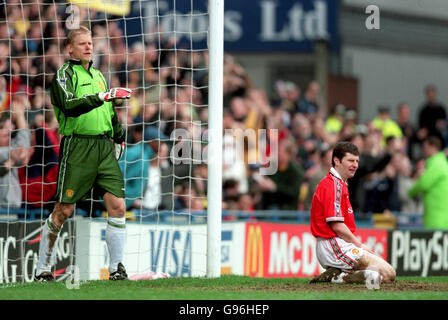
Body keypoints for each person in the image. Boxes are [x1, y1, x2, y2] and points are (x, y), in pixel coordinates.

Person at [34, 26, 132, 281]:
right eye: (82, 43)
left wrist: (119, 136)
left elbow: (109, 111)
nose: (88, 47)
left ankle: (116, 268)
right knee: (64, 211)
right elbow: (69, 106)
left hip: (103, 147)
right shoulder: (64, 75)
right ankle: (42, 267)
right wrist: (101, 96)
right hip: (77, 147)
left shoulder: (99, 75)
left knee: (118, 206)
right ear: (70, 48)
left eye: (90, 43)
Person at [309, 141, 396, 286]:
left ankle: (338, 274)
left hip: (338, 244)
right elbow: (336, 225)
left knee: (380, 275)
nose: (355, 165)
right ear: (336, 160)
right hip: (333, 245)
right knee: (388, 273)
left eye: (357, 161)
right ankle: (336, 277)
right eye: (350, 160)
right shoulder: (333, 184)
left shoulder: (340, 184)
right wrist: (359, 244)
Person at [408, 135, 448, 229]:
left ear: (433, 147)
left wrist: (410, 192)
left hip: (437, 216)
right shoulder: (441, 162)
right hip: (440, 215)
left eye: (425, 147)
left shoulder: (437, 163)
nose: (423, 150)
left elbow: (423, 184)